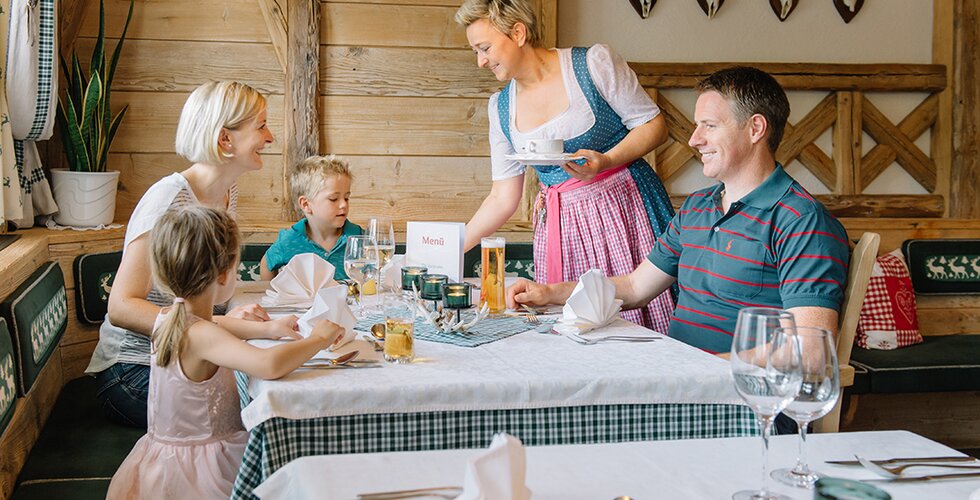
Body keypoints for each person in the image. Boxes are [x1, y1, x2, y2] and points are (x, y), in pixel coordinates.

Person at [507, 66, 850, 354]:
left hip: (743, 401)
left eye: (710, 126)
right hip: (679, 382)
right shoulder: (698, 207)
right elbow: (634, 288)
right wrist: (548, 293)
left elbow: (811, 348)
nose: (694, 139)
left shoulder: (800, 220)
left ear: (755, 128)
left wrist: (706, 371)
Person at [455, 0, 676, 333]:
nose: (480, 61)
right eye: (476, 51)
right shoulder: (500, 108)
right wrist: (452, 247)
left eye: (484, 48)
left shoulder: (592, 64)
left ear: (518, 32)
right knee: (576, 330)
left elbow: (654, 125)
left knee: (638, 317)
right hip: (563, 228)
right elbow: (502, 197)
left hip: (624, 212)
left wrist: (607, 161)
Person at [107, 207, 344, 499]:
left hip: (166, 460)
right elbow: (267, 364)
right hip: (201, 472)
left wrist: (267, 330)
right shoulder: (201, 335)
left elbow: (215, 323)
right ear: (223, 274)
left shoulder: (170, 317)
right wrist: (318, 340)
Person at [86, 81, 285, 428]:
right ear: (226, 139)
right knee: (262, 416)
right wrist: (224, 327)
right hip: (134, 371)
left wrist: (234, 317)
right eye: (261, 126)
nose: (270, 138)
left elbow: (202, 304)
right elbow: (121, 307)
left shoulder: (226, 192)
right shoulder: (168, 200)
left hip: (185, 360)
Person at [259, 155, 363, 281]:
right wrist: (271, 294)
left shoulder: (359, 237)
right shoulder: (291, 239)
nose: (344, 204)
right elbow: (267, 264)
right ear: (306, 204)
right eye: (333, 199)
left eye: (346, 198)